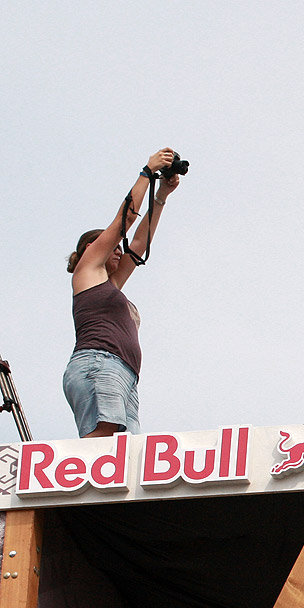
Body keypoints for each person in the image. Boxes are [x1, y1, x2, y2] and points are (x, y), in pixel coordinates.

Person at [63, 148, 182, 438]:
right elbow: (125, 222)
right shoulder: (87, 271)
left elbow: (138, 242)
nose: (118, 249)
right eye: (112, 245)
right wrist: (146, 172)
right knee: (101, 441)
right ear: (90, 250)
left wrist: (162, 196)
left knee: (124, 453)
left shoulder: (111, 285)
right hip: (98, 363)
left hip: (125, 373)